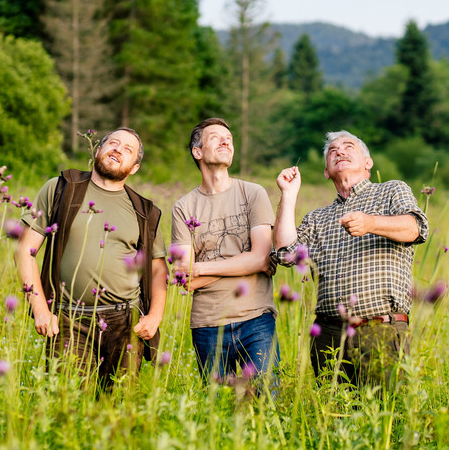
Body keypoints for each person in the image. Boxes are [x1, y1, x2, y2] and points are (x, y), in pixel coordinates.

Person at [273, 130, 428, 391]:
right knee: (332, 422)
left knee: (384, 419)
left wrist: (371, 223)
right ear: (326, 171)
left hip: (380, 328)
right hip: (328, 333)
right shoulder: (317, 217)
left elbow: (416, 228)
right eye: (332, 150)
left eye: (348, 146)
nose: (339, 151)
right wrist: (288, 194)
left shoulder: (391, 191)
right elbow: (285, 253)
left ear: (368, 163)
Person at [15, 128, 168, 389]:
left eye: (127, 149)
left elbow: (157, 271)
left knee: (117, 410)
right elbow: (24, 251)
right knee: (66, 403)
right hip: (68, 319)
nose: (118, 149)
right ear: (98, 151)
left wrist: (154, 316)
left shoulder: (145, 211)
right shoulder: (61, 188)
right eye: (113, 143)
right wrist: (40, 308)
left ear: (134, 168)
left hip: (124, 321)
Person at [170, 118, 278, 384]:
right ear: (197, 152)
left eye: (228, 138)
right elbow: (185, 280)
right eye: (216, 137)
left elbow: (262, 258)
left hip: (256, 319)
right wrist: (245, 263)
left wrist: (202, 267)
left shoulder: (253, 193)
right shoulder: (183, 207)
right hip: (207, 324)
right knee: (215, 411)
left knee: (267, 405)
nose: (226, 141)